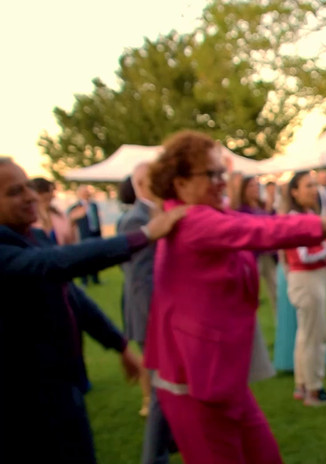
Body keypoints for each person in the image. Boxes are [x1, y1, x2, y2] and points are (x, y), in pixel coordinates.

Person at [143, 130, 326, 464]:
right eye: (212, 174)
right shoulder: (192, 220)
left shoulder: (203, 213)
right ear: (179, 183)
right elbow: (267, 232)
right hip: (194, 381)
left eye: (224, 173)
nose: (223, 182)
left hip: (218, 376)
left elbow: (268, 222)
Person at [0, 156, 186, 464]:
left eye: (29, 187)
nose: (31, 196)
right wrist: (145, 234)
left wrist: (119, 343)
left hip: (62, 385)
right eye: (14, 192)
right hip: (22, 397)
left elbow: (71, 295)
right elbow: (52, 264)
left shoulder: (31, 238)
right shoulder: (10, 249)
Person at [116, 163, 177, 464]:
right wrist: (159, 322)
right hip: (151, 320)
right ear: (142, 183)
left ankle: (172, 442)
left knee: (167, 390)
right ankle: (154, 457)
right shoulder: (135, 220)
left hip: (158, 318)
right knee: (160, 394)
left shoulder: (154, 214)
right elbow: (140, 280)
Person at [285, 171, 326, 406]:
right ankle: (314, 390)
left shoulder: (307, 215)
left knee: (306, 335)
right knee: (315, 336)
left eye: (315, 185)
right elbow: (303, 255)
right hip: (307, 279)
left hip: (311, 279)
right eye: (308, 185)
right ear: (294, 192)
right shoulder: (296, 219)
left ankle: (303, 385)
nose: (314, 190)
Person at [237, 176, 278, 317]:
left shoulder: (262, 206)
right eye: (251, 186)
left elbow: (274, 224)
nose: (254, 189)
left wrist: (270, 209)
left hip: (269, 255)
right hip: (254, 256)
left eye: (256, 185)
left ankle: (282, 328)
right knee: (251, 292)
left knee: (276, 291)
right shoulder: (243, 210)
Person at [68, 185, 104, 285]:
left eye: (87, 192)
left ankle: (96, 279)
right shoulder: (75, 207)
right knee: (84, 258)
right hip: (84, 235)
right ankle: (84, 280)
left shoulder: (94, 205)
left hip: (95, 233)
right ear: (79, 194)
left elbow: (97, 220)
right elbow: (71, 222)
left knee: (95, 257)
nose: (87, 194)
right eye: (85, 192)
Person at [30, 177, 76, 245]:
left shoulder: (59, 215)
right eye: (49, 192)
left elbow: (70, 241)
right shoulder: (27, 219)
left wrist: (72, 222)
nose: (53, 196)